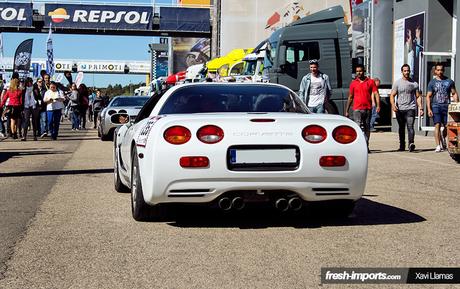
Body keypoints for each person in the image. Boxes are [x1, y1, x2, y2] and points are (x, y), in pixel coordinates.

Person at [345, 64, 380, 151]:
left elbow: (376, 93)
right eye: (357, 71)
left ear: (363, 71)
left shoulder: (370, 82)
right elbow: (350, 97)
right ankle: (358, 146)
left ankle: (366, 145)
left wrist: (378, 105)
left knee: (367, 127)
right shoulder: (353, 83)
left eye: (360, 71)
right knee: (357, 127)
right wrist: (347, 110)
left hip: (368, 108)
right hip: (357, 109)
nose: (359, 73)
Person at [390, 64, 424, 152]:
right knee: (401, 127)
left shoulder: (414, 84)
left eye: (408, 70)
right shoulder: (397, 83)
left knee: (410, 126)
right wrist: (393, 105)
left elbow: (418, 96)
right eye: (405, 71)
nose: (407, 72)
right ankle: (402, 145)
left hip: (410, 108)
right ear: (402, 72)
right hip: (400, 109)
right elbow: (392, 95)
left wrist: (421, 108)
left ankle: (411, 143)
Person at [426, 63, 459, 152]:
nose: (440, 72)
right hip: (436, 106)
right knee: (437, 125)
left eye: (441, 70)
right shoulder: (432, 83)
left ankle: (443, 138)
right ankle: (438, 145)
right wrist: (429, 109)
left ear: (443, 71)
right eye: (438, 70)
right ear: (435, 71)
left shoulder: (449, 81)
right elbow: (428, 96)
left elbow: (454, 93)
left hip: (446, 106)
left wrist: (456, 105)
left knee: (447, 126)